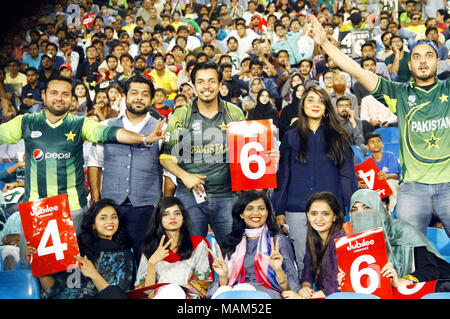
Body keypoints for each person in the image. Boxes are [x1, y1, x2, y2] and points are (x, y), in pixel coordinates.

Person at [308, 13, 450, 237]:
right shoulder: (399, 93)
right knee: (409, 254)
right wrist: (324, 43)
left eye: (429, 56)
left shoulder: (448, 89)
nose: (423, 61)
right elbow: (356, 70)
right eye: (417, 57)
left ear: (438, 61)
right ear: (409, 64)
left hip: (449, 184)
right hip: (413, 188)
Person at [272, 84, 358, 275]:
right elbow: (283, 176)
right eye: (310, 100)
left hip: (331, 209)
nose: (315, 104)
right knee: (304, 264)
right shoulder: (291, 137)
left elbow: (347, 176)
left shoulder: (339, 136)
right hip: (296, 207)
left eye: (321, 101)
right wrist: (279, 209)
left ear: (327, 107)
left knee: (333, 264)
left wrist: (348, 209)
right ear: (302, 105)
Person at [159, 62, 245, 246]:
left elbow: (247, 152)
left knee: (233, 254)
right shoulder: (181, 115)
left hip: (227, 197)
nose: (207, 86)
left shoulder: (235, 113)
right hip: (190, 197)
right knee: (189, 254)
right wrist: (185, 176)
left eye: (212, 81)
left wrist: (266, 155)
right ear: (194, 85)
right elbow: (165, 157)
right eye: (201, 82)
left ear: (221, 84)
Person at [88, 75, 165, 263]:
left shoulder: (162, 129)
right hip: (111, 206)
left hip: (147, 207)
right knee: (109, 262)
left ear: (151, 99)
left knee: (145, 261)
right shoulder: (105, 126)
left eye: (145, 94)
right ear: (124, 96)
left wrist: (163, 201)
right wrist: (97, 200)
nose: (139, 98)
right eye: (134, 93)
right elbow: (95, 164)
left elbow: (168, 169)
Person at [342, 189, 450, 292]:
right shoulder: (350, 243)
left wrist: (403, 281)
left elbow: (430, 270)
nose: (361, 214)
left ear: (379, 210)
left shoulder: (403, 231)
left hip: (419, 288)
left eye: (367, 208)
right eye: (354, 210)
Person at [25, 198, 135, 299]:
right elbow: (55, 291)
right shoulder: (77, 250)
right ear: (93, 224)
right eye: (103, 218)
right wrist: (39, 265)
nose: (110, 221)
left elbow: (119, 295)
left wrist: (93, 274)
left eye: (114, 217)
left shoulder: (124, 255)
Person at [206, 190, 300, 299]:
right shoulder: (231, 242)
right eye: (249, 209)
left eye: (261, 208)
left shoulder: (278, 241)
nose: (256, 213)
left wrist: (278, 270)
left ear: (268, 212)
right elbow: (217, 290)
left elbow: (291, 290)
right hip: (233, 292)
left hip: (266, 293)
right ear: (241, 214)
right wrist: (223, 277)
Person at [134, 196, 214, 299]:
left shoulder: (198, 244)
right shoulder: (150, 247)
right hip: (159, 296)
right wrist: (151, 264)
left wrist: (174, 289)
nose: (172, 217)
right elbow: (144, 292)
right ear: (159, 219)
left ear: (183, 218)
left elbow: (203, 284)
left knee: (173, 290)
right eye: (166, 214)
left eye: (177, 213)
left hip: (187, 300)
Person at [282, 191, 345, 299]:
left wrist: (302, 298)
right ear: (307, 215)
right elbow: (307, 272)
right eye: (314, 213)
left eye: (325, 214)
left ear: (334, 216)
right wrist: (306, 288)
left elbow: (337, 287)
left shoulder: (340, 241)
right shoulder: (313, 237)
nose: (319, 219)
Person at [362, 132, 401, 214]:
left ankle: (391, 213)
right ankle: (377, 214)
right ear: (367, 146)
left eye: (378, 141)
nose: (376, 144)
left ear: (382, 144)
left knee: (390, 183)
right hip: (376, 187)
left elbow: (395, 176)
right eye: (372, 142)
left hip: (391, 183)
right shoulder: (366, 161)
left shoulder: (390, 156)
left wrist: (387, 176)